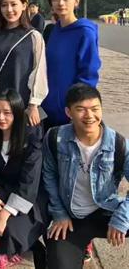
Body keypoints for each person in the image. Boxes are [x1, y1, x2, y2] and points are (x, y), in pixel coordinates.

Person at [44, 83, 128, 268]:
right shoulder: (55, 138)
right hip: (72, 217)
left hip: (106, 209)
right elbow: (48, 176)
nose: (89, 116)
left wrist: (122, 218)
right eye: (81, 109)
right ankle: (80, 248)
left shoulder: (119, 143)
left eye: (95, 109)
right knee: (59, 262)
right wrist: (59, 213)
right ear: (68, 112)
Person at [0, 89, 46, 268]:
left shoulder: (31, 139)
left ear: (17, 113)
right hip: (0, 191)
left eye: (7, 113)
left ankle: (31, 244)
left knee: (7, 232)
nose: (1, 118)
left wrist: (4, 214)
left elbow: (29, 183)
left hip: (27, 198)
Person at [41, 0, 101, 128]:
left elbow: (88, 75)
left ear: (76, 1)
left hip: (70, 112)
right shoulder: (54, 31)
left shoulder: (85, 32)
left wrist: (76, 108)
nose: (61, 3)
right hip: (48, 110)